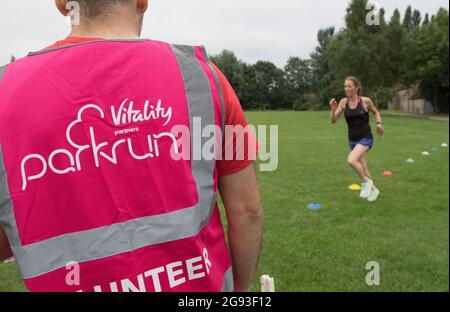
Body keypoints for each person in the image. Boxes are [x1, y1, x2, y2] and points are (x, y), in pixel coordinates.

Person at [0, 0, 263, 292]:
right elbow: (247, 210)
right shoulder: (204, 78)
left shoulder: (5, 92)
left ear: (63, 4)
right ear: (142, 2)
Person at [329, 76, 385, 202]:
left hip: (365, 138)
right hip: (352, 140)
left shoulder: (365, 101)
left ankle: (365, 183)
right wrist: (333, 110)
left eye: (349, 86)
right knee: (363, 167)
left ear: (356, 88)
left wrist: (379, 123)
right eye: (345, 86)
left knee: (351, 160)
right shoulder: (343, 102)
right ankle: (374, 189)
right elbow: (333, 121)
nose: (346, 88)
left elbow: (376, 112)